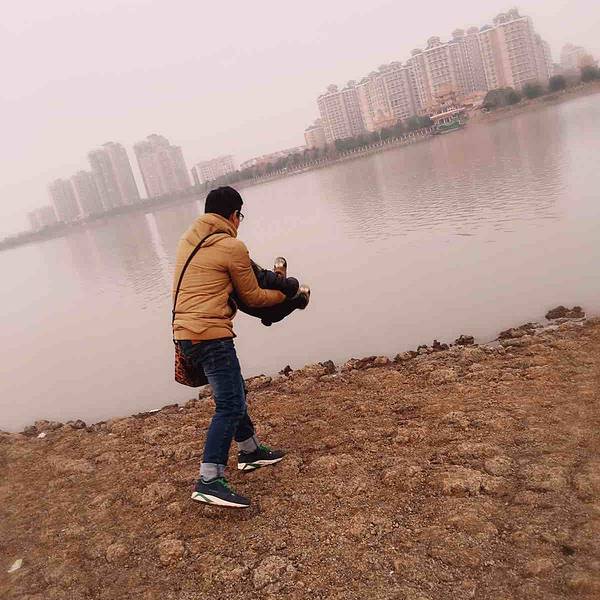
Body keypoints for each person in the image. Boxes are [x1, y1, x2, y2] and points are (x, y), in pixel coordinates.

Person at [172, 186, 306, 508]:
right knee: (230, 404)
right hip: (210, 335)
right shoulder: (231, 246)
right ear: (234, 215)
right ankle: (209, 480)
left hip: (185, 334)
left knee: (233, 391)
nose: (240, 222)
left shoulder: (189, 240)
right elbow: (254, 298)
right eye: (240, 216)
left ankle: (250, 451)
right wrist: (290, 295)